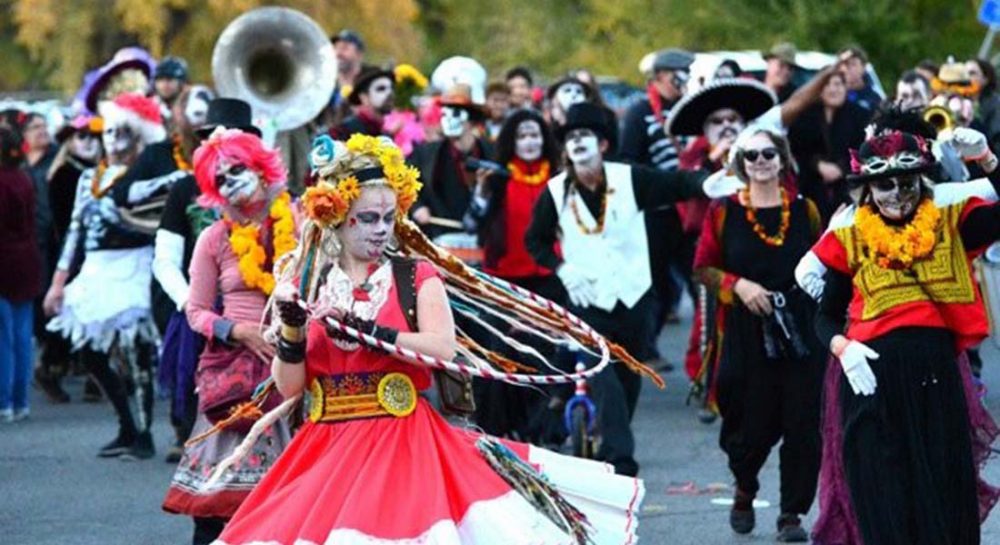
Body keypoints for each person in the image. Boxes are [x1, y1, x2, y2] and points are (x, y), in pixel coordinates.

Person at [212, 132, 642, 545]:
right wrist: (290, 331)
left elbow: (442, 348)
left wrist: (371, 332)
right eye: (367, 219)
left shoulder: (415, 275)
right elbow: (289, 386)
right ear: (337, 218)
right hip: (325, 444)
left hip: (400, 440)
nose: (381, 230)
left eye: (388, 218)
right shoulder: (306, 281)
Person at [809, 127, 1000, 545]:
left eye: (907, 183)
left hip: (934, 377)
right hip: (869, 378)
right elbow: (823, 317)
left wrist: (986, 158)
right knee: (882, 493)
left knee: (942, 491)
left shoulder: (950, 223)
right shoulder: (850, 235)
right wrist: (844, 349)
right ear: (867, 189)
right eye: (884, 185)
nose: (897, 194)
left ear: (923, 181)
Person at [525, 103, 710, 476]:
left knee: (626, 385)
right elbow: (535, 240)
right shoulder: (556, 191)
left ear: (603, 144)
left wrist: (707, 182)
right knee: (603, 372)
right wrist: (563, 268)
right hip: (586, 300)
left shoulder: (630, 179)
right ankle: (620, 460)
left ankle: (610, 434)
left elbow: (674, 184)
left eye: (585, 136)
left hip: (633, 297)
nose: (577, 143)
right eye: (571, 138)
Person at [161, 128, 295, 545]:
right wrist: (237, 330)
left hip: (294, 365)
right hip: (234, 376)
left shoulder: (301, 223)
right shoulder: (213, 237)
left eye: (236, 169)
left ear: (260, 166)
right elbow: (196, 310)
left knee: (293, 503)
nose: (229, 181)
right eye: (218, 177)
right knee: (216, 508)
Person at [693, 127, 825, 542]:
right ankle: (745, 486)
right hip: (746, 332)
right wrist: (739, 286)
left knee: (803, 424)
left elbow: (826, 259)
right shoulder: (723, 212)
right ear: (740, 165)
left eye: (769, 153)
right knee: (748, 423)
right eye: (751, 156)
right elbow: (702, 268)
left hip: (800, 331)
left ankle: (791, 514)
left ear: (783, 159)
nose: (761, 161)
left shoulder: (805, 211)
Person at [43, 92, 166, 459]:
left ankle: (144, 435)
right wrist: (58, 282)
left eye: (122, 132)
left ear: (138, 136)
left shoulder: (148, 176)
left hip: (134, 265)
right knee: (90, 352)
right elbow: (75, 233)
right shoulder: (88, 179)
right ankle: (126, 425)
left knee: (134, 349)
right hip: (96, 270)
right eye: (107, 132)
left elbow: (157, 223)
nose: (112, 139)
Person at [464, 109, 564, 441]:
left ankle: (543, 429)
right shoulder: (497, 179)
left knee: (547, 353)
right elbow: (471, 224)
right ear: (511, 142)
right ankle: (496, 430)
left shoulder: (562, 178)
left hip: (551, 279)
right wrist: (480, 193)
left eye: (535, 134)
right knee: (501, 353)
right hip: (505, 281)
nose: (530, 142)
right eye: (522, 136)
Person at [620, 48, 695, 367]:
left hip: (690, 213)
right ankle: (645, 348)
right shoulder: (640, 112)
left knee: (699, 279)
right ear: (662, 76)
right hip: (655, 215)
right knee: (656, 286)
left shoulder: (690, 109)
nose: (684, 79)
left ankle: (706, 352)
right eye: (680, 73)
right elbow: (627, 161)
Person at [33, 115, 104, 403]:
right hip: (70, 254)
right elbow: (64, 223)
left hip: (92, 252)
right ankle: (50, 369)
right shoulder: (64, 174)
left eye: (92, 136)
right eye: (81, 136)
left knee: (94, 314)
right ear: (69, 142)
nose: (88, 142)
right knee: (68, 317)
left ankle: (93, 376)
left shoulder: (97, 171)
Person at [408, 84, 494, 240]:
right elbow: (405, 182)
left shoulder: (493, 152)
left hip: (485, 241)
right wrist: (417, 207)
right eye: (443, 114)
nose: (448, 120)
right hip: (440, 239)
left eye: (455, 113)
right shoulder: (424, 154)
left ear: (472, 119)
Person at [0, 126, 42, 423]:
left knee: (3, 338)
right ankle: (20, 400)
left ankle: (4, 401)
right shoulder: (24, 179)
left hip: (3, 260)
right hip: (26, 259)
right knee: (21, 334)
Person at [788, 71, 871, 221]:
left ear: (846, 87)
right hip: (811, 186)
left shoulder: (860, 115)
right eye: (827, 84)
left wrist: (841, 168)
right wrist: (817, 164)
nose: (833, 89)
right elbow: (797, 147)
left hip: (848, 186)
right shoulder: (804, 115)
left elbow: (864, 148)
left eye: (838, 84)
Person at [329, 65, 395, 140]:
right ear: (364, 97)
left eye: (392, 88)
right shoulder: (342, 132)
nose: (390, 93)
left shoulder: (387, 136)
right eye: (381, 89)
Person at [838, 46, 883, 112]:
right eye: (844, 64)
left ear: (863, 67)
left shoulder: (873, 99)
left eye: (853, 64)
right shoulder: (833, 94)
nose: (847, 68)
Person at [154, 56, 190, 124]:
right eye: (160, 79)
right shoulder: (152, 105)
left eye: (169, 79)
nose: (164, 84)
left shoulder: (192, 103)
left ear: (181, 82)